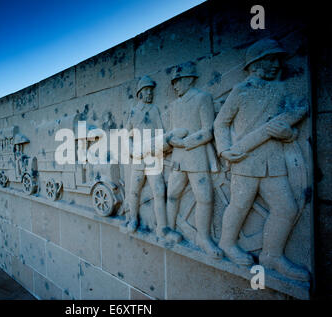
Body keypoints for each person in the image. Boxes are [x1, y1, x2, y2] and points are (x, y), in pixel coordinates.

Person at [213, 39, 309, 281]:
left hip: (273, 162)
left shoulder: (282, 90)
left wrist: (289, 135)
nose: (276, 64)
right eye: (270, 59)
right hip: (245, 161)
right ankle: (227, 243)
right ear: (255, 63)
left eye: (277, 59)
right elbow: (221, 123)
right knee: (239, 205)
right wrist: (224, 150)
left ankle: (272, 255)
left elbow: (292, 125)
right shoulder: (241, 91)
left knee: (287, 209)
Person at [165, 61, 223, 258]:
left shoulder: (202, 98)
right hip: (178, 159)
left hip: (197, 157)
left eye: (177, 81)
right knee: (172, 194)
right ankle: (168, 229)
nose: (175, 86)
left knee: (204, 197)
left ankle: (203, 238)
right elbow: (171, 132)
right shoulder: (173, 105)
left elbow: (208, 130)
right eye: (173, 82)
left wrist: (186, 142)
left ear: (189, 79)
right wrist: (173, 140)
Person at [122, 75, 167, 237]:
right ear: (140, 93)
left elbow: (161, 132)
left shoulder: (154, 110)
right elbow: (125, 135)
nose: (150, 93)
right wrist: (133, 149)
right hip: (138, 159)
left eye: (151, 91)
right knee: (134, 191)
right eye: (147, 90)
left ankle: (162, 227)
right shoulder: (134, 112)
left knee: (159, 190)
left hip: (153, 157)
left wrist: (157, 147)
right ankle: (133, 219)